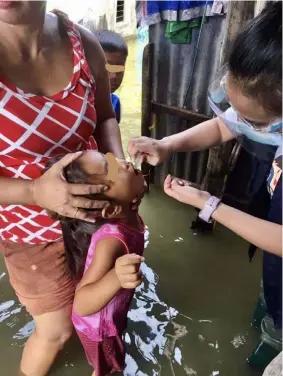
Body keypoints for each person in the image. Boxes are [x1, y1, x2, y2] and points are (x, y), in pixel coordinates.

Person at [128, 1, 282, 369]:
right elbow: (226, 125)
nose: (238, 121)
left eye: (253, 120)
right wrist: (166, 145)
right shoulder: (262, 95)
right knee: (273, 289)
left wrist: (209, 203)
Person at [0, 2, 137, 376]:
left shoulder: (84, 43)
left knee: (98, 295)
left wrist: (117, 173)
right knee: (56, 332)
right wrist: (33, 192)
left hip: (96, 219)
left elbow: (106, 116)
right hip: (31, 234)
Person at [44, 150, 145, 376]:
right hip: (98, 330)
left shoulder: (129, 213)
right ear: (110, 210)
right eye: (112, 169)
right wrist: (116, 277)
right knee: (105, 370)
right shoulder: (112, 241)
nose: (124, 163)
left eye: (111, 158)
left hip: (108, 314)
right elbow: (81, 304)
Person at [93, 30, 128, 124]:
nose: (114, 76)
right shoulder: (75, 104)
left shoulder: (115, 103)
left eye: (119, 68)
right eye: (107, 68)